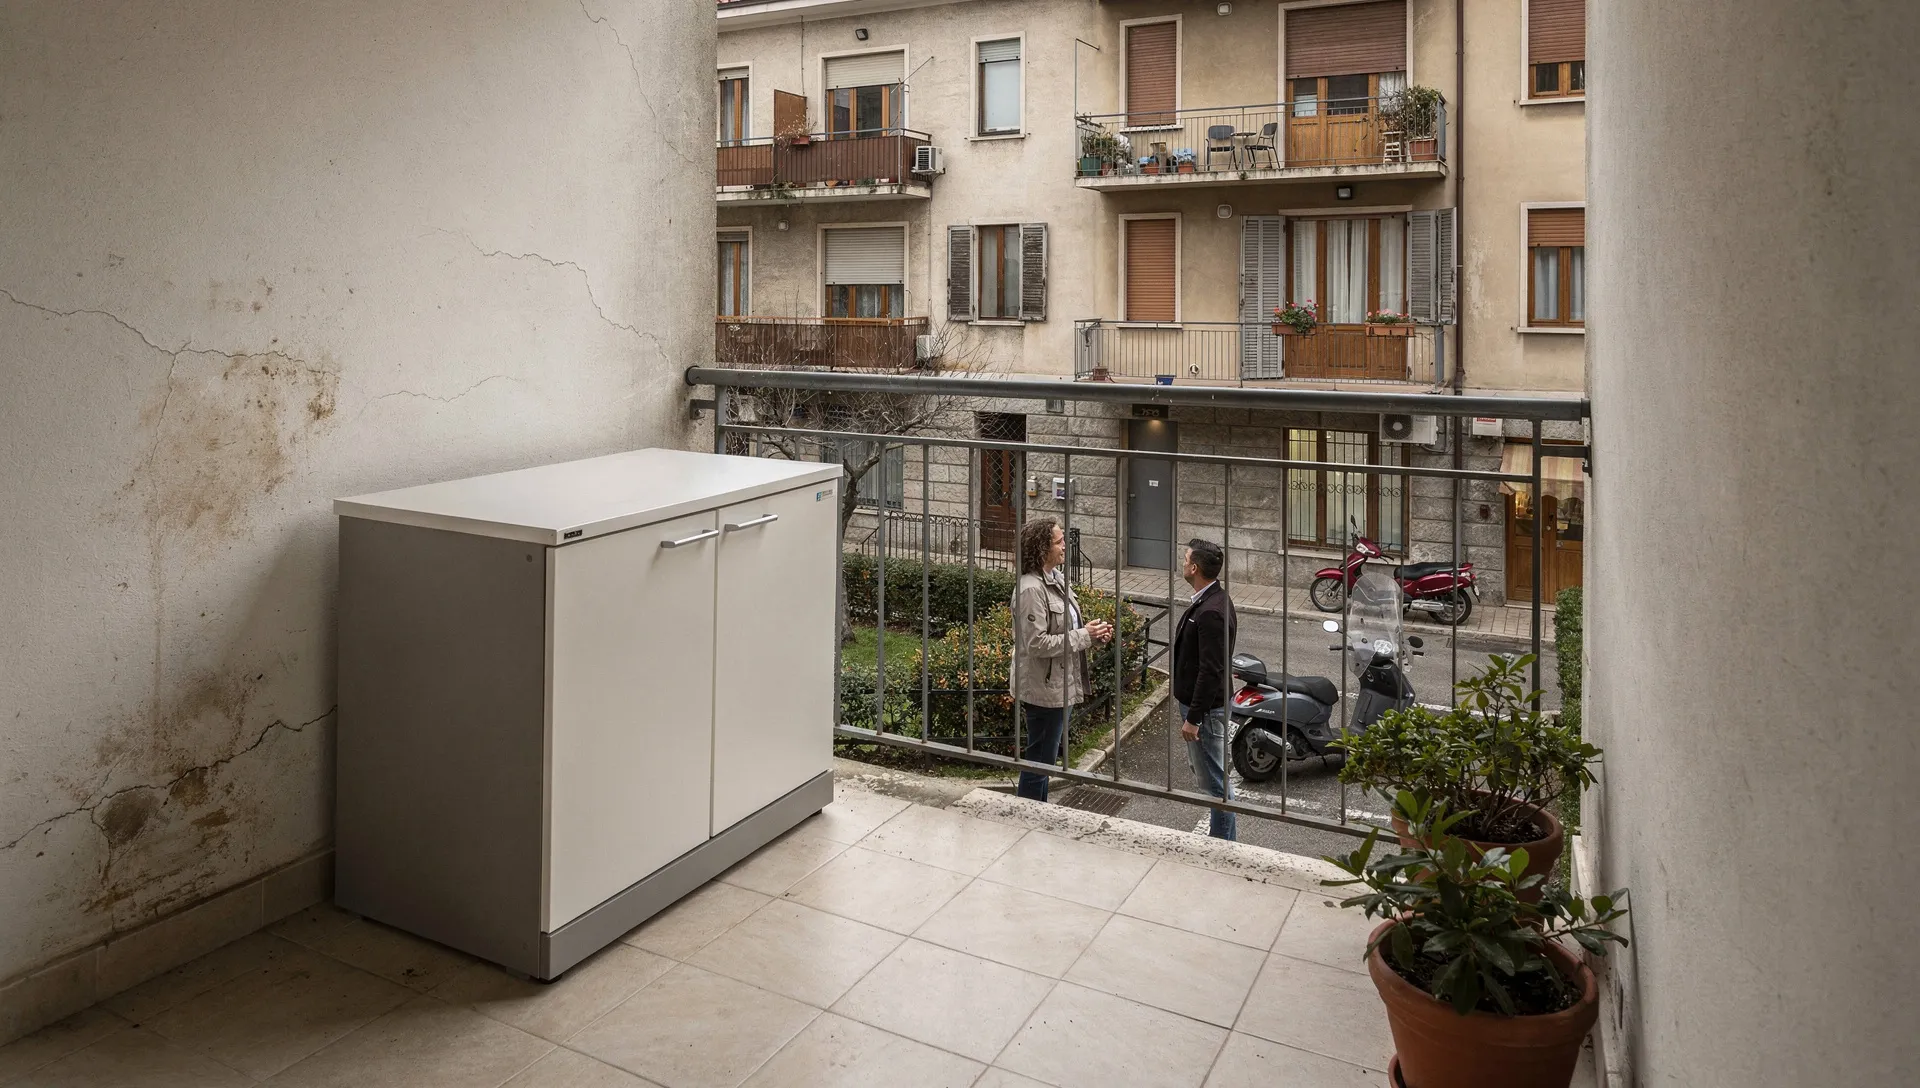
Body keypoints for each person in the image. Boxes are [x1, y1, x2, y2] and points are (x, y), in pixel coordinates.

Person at [1010, 517, 1113, 801]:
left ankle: (1037, 812)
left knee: (1044, 758)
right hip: (1043, 689)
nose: (1065, 546)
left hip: (1058, 684)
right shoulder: (1031, 589)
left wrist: (1093, 634)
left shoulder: (1055, 580)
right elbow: (1036, 644)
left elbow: (1066, 629)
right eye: (1059, 542)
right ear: (1043, 548)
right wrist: (1083, 635)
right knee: (1039, 761)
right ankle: (1029, 816)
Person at [1172, 538, 1238, 840]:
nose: (1183, 563)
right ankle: (1221, 839)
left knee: (1215, 783)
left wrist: (1194, 718)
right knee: (1212, 778)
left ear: (1195, 567)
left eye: (1186, 559)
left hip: (1207, 712)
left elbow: (1211, 670)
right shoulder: (1211, 599)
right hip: (1206, 709)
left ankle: (1223, 846)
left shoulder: (1211, 610)